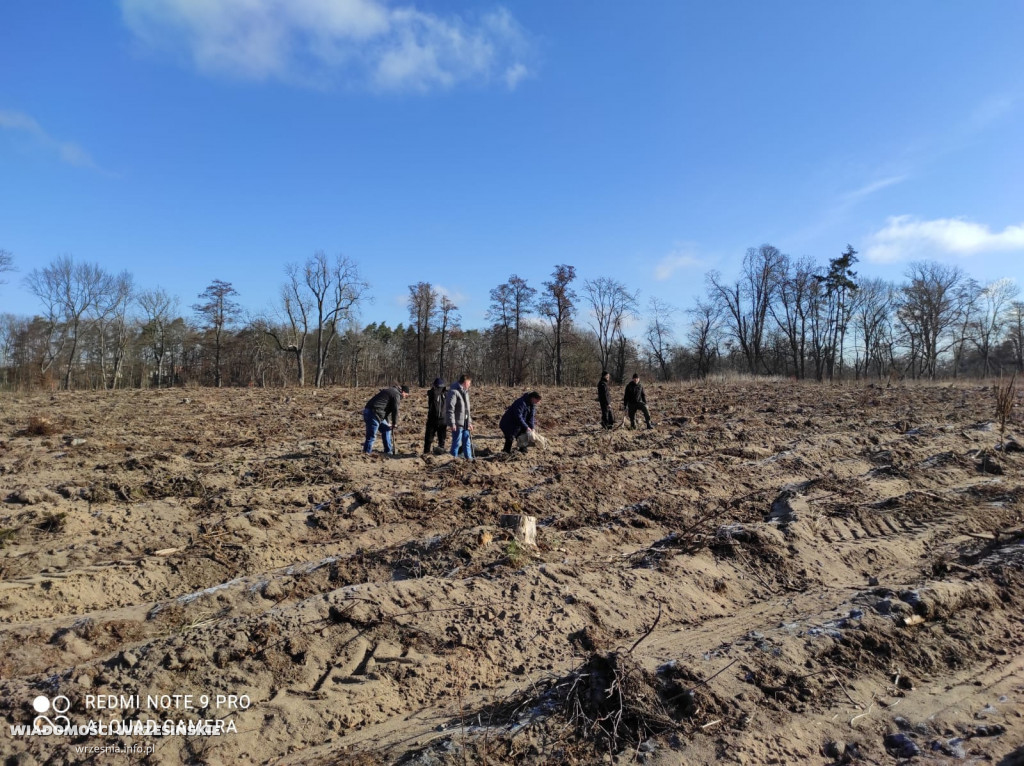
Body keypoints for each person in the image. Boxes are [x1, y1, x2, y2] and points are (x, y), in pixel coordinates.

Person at [362, 384, 409, 454]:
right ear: (403, 392)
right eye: (406, 395)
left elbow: (386, 409)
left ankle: (388, 452)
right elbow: (395, 410)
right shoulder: (396, 394)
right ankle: (366, 454)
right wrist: (394, 423)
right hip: (374, 413)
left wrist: (388, 423)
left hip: (375, 412)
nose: (405, 397)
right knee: (371, 436)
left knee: (387, 429)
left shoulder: (392, 391)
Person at [444, 374, 473, 459]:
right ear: (465, 382)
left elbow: (467, 410)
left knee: (467, 442)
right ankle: (453, 460)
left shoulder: (465, 392)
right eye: (469, 383)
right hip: (457, 424)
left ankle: (469, 460)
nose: (470, 385)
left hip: (465, 423)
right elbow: (450, 409)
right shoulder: (454, 392)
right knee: (456, 443)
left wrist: (469, 422)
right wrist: (452, 423)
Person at [423, 377, 448, 454]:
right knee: (429, 438)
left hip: (443, 419)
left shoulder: (446, 394)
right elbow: (430, 392)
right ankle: (426, 452)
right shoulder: (432, 393)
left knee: (442, 438)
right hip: (432, 419)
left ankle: (440, 452)